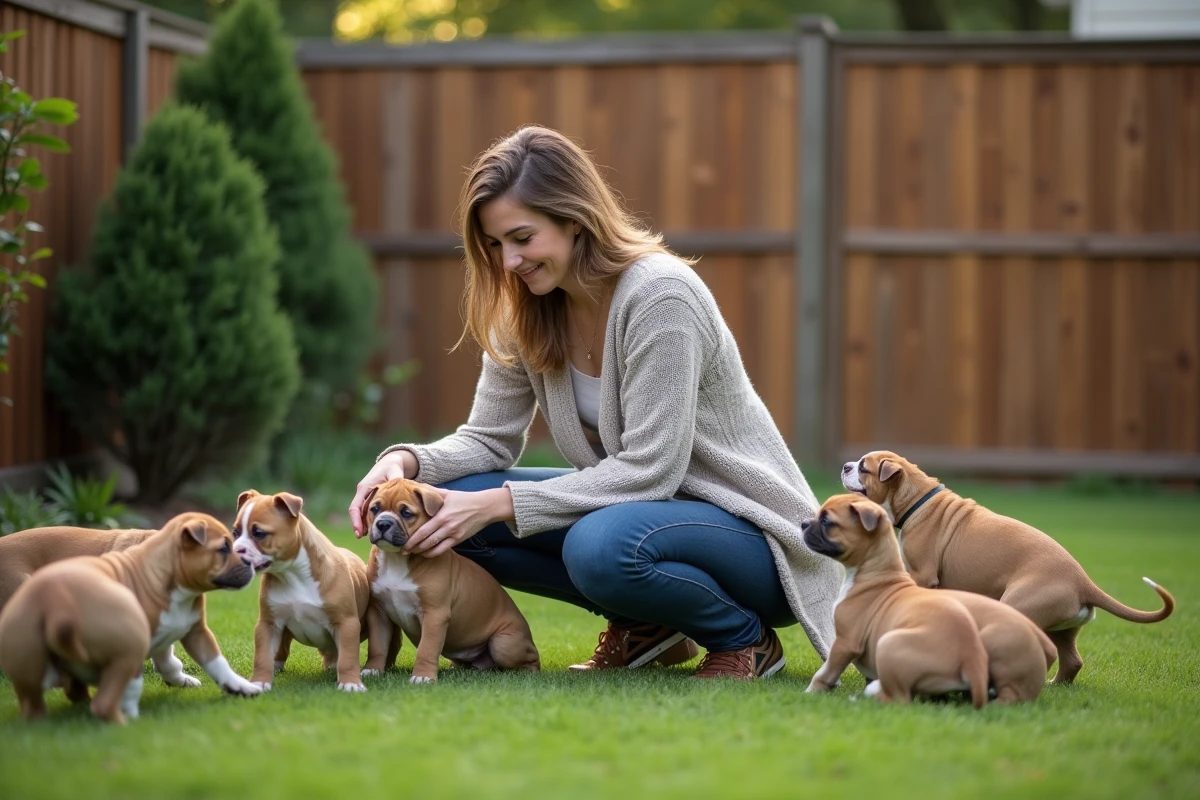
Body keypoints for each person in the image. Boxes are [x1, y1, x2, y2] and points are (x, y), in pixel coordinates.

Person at [349, 125, 842, 679]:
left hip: (751, 535)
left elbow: (653, 470)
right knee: (448, 506)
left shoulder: (660, 297)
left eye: (522, 238)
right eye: (494, 246)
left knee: (596, 544)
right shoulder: (530, 310)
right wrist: (403, 464)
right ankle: (650, 624)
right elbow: (487, 440)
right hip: (642, 519)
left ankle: (743, 637)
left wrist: (500, 504)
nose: (508, 261)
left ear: (574, 219)